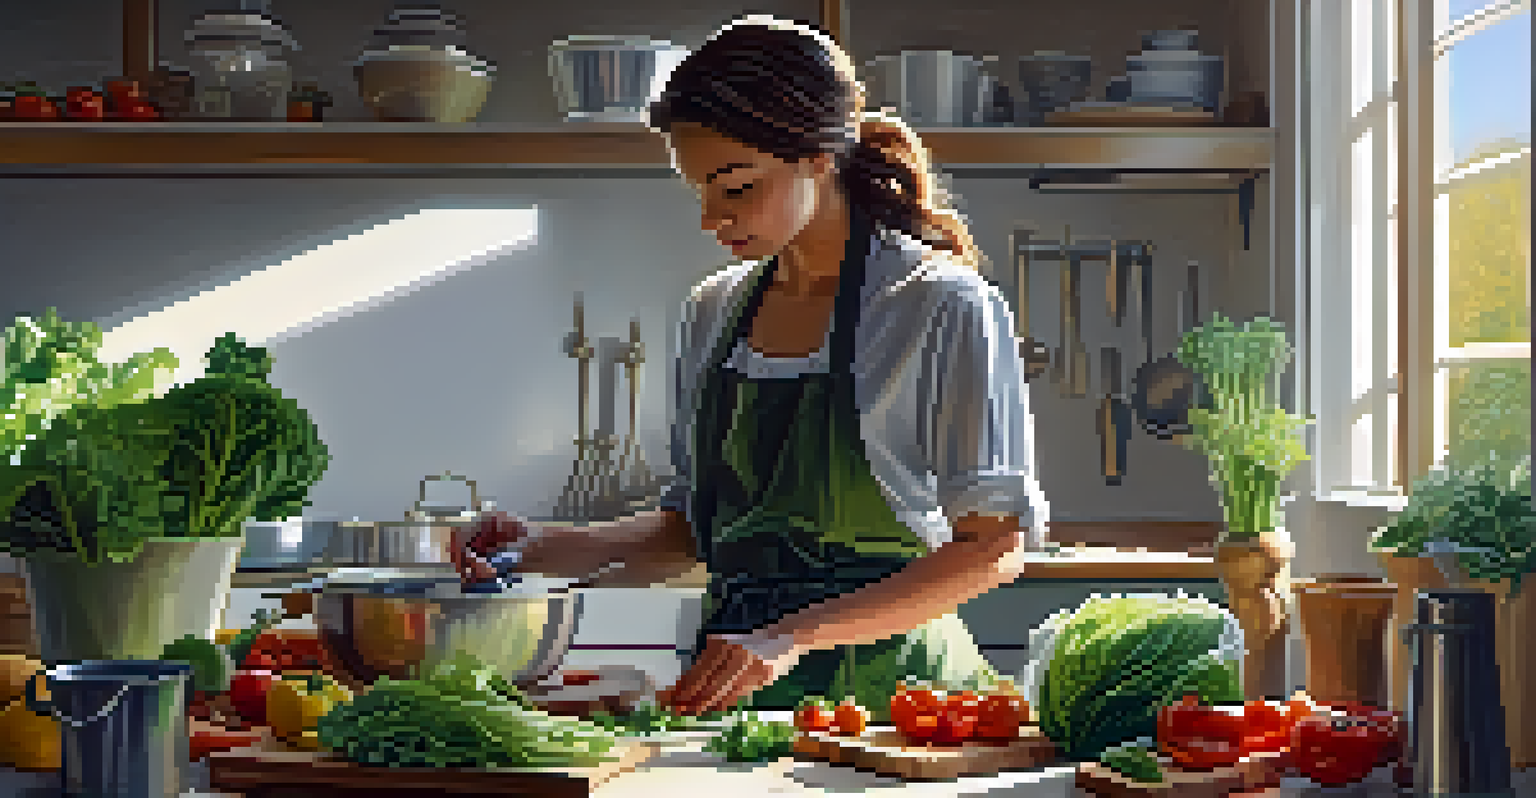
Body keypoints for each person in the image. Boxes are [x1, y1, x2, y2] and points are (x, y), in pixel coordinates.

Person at [454, 14, 1049, 717]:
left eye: (736, 187)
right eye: (699, 190)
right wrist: (547, 546)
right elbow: (700, 529)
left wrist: (789, 637)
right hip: (734, 705)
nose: (710, 218)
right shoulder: (713, 312)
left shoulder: (937, 304)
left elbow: (993, 550)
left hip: (904, 712)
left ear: (819, 158)